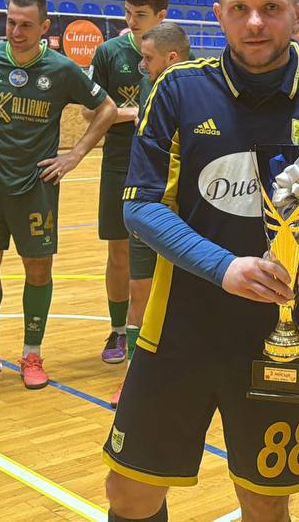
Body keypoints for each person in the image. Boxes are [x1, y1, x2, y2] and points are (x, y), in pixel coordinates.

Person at [103, 0, 299, 522]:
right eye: (240, 8)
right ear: (218, 14)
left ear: (298, 16)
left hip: (276, 340)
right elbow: (140, 208)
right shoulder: (177, 90)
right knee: (129, 494)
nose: (255, 23)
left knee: (266, 502)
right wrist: (225, 268)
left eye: (271, 8)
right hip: (177, 332)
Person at [0, 0, 116, 389]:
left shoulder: (61, 69)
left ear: (44, 27)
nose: (16, 31)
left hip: (35, 186)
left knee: (38, 269)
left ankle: (32, 354)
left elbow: (106, 108)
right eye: (11, 22)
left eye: (25, 25)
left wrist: (74, 155)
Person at [105, 20, 192, 406]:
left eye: (148, 58)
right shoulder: (150, 85)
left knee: (187, 293)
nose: (142, 65)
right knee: (139, 289)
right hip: (149, 205)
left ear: (171, 58)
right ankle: (134, 377)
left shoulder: (204, 92)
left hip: (186, 214)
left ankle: (182, 373)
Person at [86, 0, 169, 365]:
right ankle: (119, 330)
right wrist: (138, 113)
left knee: (164, 252)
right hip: (119, 162)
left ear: (161, 16)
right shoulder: (108, 53)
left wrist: (128, 114)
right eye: (128, 12)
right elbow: (90, 113)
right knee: (119, 252)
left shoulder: (175, 53)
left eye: (141, 15)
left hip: (163, 166)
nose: (132, 21)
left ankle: (157, 328)